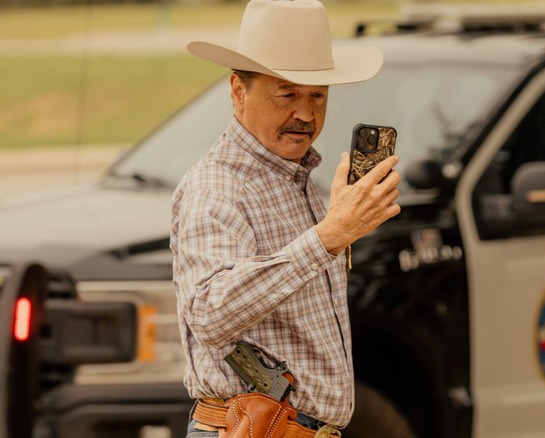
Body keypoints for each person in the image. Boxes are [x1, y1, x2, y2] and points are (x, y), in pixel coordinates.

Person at [169, 0, 401, 437]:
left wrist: (338, 229)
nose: (306, 114)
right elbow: (209, 314)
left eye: (318, 95)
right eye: (288, 94)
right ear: (238, 91)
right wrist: (329, 236)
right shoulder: (218, 186)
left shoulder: (294, 176)